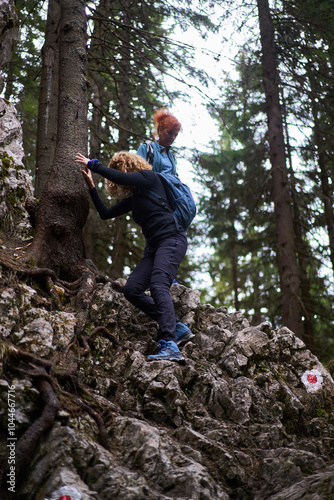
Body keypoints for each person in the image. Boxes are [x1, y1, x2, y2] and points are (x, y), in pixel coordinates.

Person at [75, 150, 194, 362]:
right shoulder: (134, 198)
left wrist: (93, 164)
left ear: (129, 167)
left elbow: (119, 178)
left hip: (172, 240)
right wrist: (92, 186)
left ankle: (170, 344)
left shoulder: (150, 178)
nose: (119, 176)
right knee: (132, 290)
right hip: (153, 248)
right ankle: (177, 326)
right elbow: (105, 213)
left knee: (158, 285)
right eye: (117, 172)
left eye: (120, 169)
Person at [137, 108, 195, 344]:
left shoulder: (171, 155)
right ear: (160, 130)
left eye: (175, 136)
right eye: (169, 134)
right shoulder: (147, 148)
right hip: (151, 201)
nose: (171, 138)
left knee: (168, 238)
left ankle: (168, 275)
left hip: (167, 203)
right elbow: (139, 170)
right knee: (154, 237)